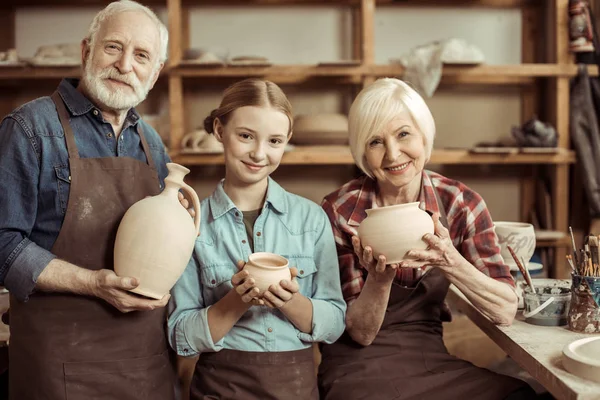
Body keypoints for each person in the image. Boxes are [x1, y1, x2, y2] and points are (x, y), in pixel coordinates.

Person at [0, 1, 181, 398]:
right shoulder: (29, 128)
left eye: (142, 55)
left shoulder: (151, 144)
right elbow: (3, 244)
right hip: (57, 363)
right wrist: (92, 284)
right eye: (113, 47)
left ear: (155, 73)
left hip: (143, 361)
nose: (125, 65)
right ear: (87, 52)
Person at [318, 78, 537, 400]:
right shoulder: (340, 209)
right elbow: (360, 334)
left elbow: (504, 309)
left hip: (427, 353)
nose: (393, 154)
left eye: (404, 134)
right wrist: (379, 281)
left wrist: (449, 260)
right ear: (362, 150)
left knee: (519, 396)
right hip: (357, 365)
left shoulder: (459, 202)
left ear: (424, 135)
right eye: (376, 142)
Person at [168, 78, 346, 400]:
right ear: (220, 131)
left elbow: (334, 323)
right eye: (246, 136)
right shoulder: (191, 223)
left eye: (275, 141)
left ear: (288, 140)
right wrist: (237, 301)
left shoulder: (311, 219)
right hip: (219, 388)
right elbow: (181, 336)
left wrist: (290, 301)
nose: (259, 153)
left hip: (296, 386)